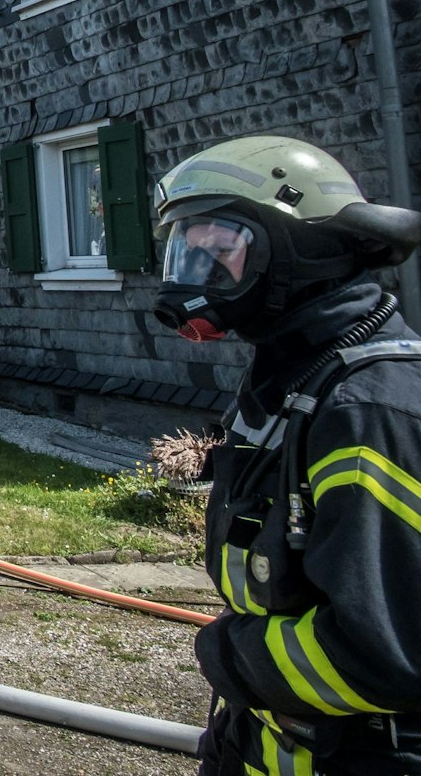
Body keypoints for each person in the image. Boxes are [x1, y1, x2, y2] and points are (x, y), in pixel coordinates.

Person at [152, 135, 421, 773]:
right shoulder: (294, 379)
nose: (196, 275)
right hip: (269, 740)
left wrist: (229, 657)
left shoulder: (367, 412)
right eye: (185, 252)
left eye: (218, 249)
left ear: (295, 251)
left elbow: (388, 652)